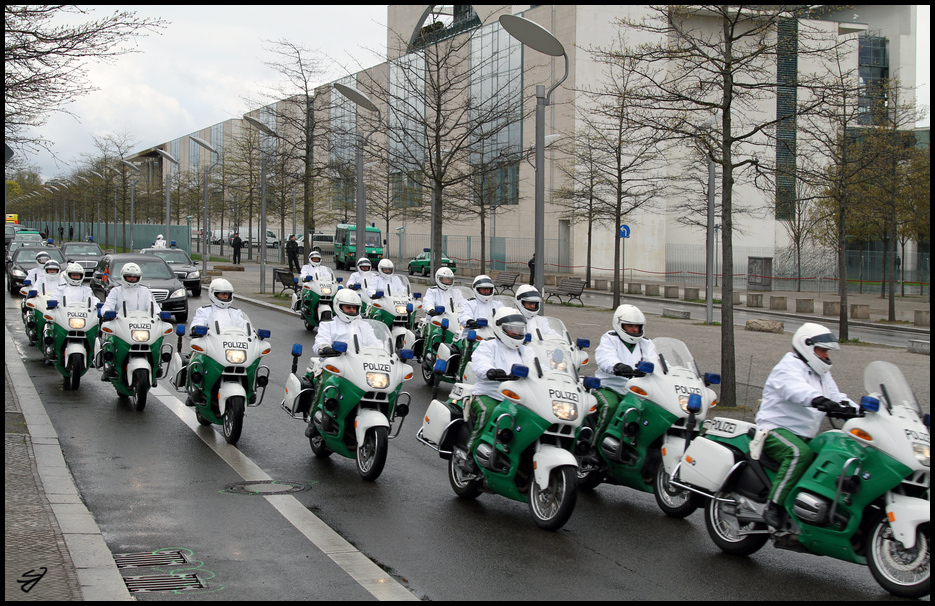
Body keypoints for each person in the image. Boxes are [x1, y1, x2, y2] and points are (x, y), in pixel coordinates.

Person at [756, 323, 857, 529]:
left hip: (806, 434)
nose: (825, 355)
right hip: (774, 429)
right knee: (798, 454)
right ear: (807, 346)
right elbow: (796, 390)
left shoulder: (821, 373)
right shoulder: (788, 367)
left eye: (826, 351)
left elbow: (837, 397)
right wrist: (820, 400)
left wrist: (859, 412)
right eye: (821, 350)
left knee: (837, 454)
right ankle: (774, 506)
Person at [466, 307, 532, 458]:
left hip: (518, 398)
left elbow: (539, 367)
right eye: (512, 330)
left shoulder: (526, 351)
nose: (517, 333)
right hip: (489, 394)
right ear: (500, 328)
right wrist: (490, 371)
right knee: (489, 412)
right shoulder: (488, 346)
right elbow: (480, 363)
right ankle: (471, 454)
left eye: (519, 330)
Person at [590, 304, 657, 445]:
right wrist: (617, 366)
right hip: (609, 388)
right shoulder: (610, 338)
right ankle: (594, 447)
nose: (635, 330)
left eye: (638, 326)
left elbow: (655, 361)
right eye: (630, 326)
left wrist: (658, 370)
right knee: (611, 406)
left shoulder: (646, 343)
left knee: (653, 412)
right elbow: (605, 357)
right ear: (620, 325)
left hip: (637, 391)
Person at [98, 263, 161, 381]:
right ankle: (109, 365)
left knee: (156, 340)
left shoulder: (145, 291)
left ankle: (156, 366)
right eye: (129, 276)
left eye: (134, 276)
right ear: (123, 276)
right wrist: (107, 313)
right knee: (110, 341)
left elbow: (153, 306)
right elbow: (107, 306)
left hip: (142, 324)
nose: (132, 278)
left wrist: (159, 314)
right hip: (121, 324)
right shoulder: (116, 291)